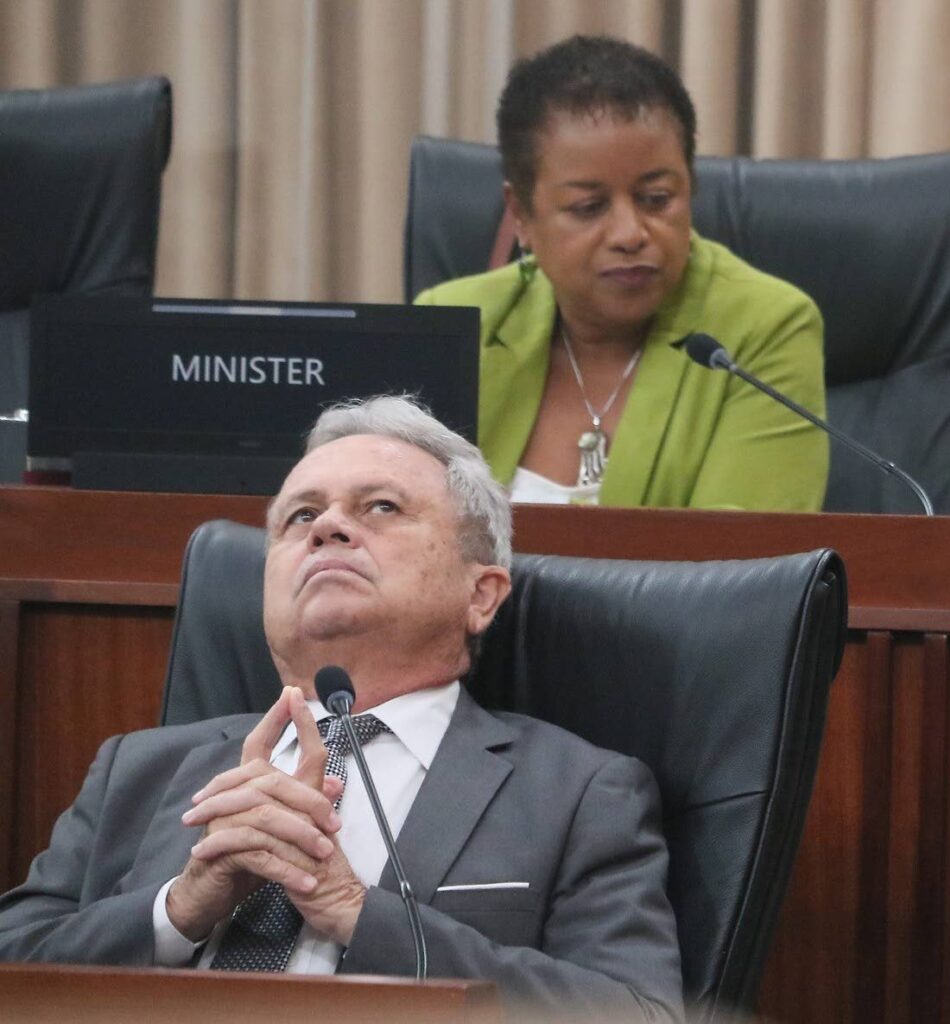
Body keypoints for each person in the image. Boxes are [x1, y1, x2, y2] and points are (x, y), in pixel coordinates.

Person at [0, 396, 684, 1022]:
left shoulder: (578, 791)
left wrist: (357, 915)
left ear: (481, 594)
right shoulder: (141, 770)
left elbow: (637, 1012)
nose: (327, 527)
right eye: (301, 515)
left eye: (380, 507)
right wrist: (176, 911)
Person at [415, 35, 828, 510]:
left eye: (656, 199)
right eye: (589, 207)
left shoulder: (765, 327)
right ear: (522, 215)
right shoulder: (451, 322)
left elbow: (742, 570)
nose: (630, 233)